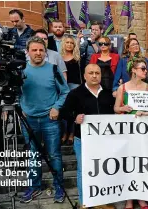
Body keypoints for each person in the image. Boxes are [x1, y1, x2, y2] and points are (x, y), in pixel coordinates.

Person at [19, 36, 69, 204]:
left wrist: (57, 107)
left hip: (50, 120)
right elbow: (16, 92)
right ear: (28, 52)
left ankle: (59, 188)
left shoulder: (53, 69)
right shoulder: (21, 71)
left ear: (45, 52)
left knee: (54, 155)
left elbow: (65, 91)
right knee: (33, 156)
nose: (38, 53)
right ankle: (34, 187)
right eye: (34, 50)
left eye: (41, 50)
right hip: (29, 120)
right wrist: (21, 107)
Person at [60, 64, 115, 209]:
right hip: (83, 140)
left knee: (105, 169)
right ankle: (84, 201)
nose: (94, 75)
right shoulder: (75, 93)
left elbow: (115, 115)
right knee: (84, 170)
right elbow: (64, 112)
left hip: (105, 140)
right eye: (91, 73)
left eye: (97, 73)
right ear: (85, 76)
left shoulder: (108, 93)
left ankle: (102, 201)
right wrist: (74, 117)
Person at [114, 58, 148, 209]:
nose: (145, 71)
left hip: (143, 132)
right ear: (133, 70)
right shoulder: (123, 88)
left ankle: (141, 197)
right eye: (142, 68)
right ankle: (129, 198)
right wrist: (123, 109)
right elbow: (116, 108)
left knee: (142, 164)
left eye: (146, 69)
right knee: (128, 165)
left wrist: (146, 113)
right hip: (127, 131)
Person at [60, 34, 82, 144]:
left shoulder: (77, 58)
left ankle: (72, 133)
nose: (69, 44)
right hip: (63, 86)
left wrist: (78, 39)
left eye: (71, 43)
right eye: (67, 42)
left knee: (74, 110)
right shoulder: (59, 58)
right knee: (64, 110)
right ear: (63, 44)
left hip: (75, 86)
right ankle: (64, 133)